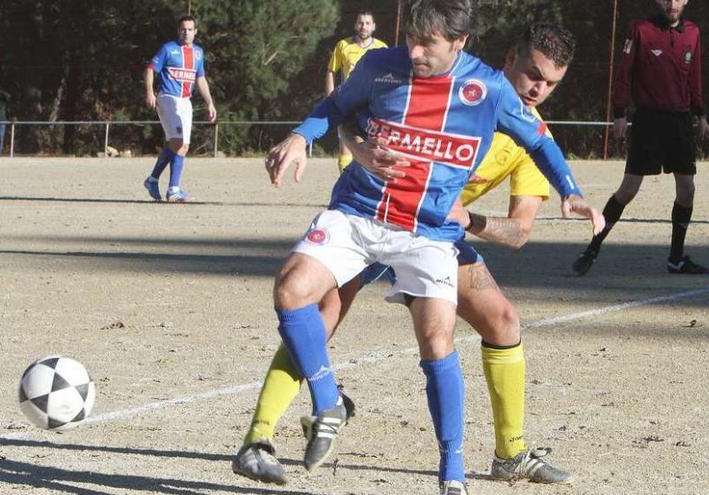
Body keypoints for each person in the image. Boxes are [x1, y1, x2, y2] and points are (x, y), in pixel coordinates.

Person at [255, 1, 602, 493]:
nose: (538, 89)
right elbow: (350, 112)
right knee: (317, 310)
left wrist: (479, 216)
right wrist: (344, 144)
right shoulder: (404, 73)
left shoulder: (518, 124)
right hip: (376, 213)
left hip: (437, 235)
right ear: (509, 58)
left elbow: (519, 232)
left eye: (550, 84)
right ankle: (262, 435)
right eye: (532, 74)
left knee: (500, 321)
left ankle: (508, 454)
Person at [572, 0, 709, 276]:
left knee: (687, 189)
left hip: (680, 122)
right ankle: (592, 249)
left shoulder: (693, 33)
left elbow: (694, 77)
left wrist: (701, 115)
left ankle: (676, 259)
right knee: (628, 190)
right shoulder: (640, 30)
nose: (672, 3)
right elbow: (623, 74)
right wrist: (620, 113)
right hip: (649, 121)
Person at [142, 14, 216, 203]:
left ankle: (153, 180)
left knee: (181, 145)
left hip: (185, 101)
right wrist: (150, 92)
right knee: (179, 142)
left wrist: (209, 102)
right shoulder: (169, 49)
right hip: (168, 98)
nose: (186, 32)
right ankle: (173, 190)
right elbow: (150, 69)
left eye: (190, 29)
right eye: (183, 29)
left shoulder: (198, 53)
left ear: (195, 32)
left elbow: (200, 78)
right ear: (178, 30)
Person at [326, 10, 388, 172]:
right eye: (360, 23)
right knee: (346, 145)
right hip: (349, 102)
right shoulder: (343, 45)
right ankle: (344, 182)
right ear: (355, 25)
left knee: (373, 147)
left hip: (372, 104)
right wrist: (330, 95)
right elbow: (331, 70)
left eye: (367, 23)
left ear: (373, 27)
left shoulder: (382, 47)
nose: (364, 26)